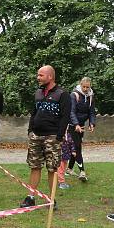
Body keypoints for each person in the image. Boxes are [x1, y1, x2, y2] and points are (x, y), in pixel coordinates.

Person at [20, 65, 70, 208]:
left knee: (52, 169)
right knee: (35, 167)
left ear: (50, 77)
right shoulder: (38, 93)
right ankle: (30, 197)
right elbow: (34, 113)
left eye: (41, 75)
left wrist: (59, 136)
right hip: (36, 136)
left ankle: (51, 199)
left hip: (52, 137)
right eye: (38, 75)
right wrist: (30, 130)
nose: (38, 78)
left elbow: (65, 117)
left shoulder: (62, 94)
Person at [67, 76, 96, 181]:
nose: (85, 89)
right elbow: (71, 111)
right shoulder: (74, 95)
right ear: (80, 84)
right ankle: (82, 172)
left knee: (76, 147)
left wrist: (92, 123)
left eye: (87, 87)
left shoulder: (91, 96)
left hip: (82, 126)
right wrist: (76, 124)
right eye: (83, 86)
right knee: (77, 147)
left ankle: (69, 169)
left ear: (90, 86)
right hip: (71, 126)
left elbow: (91, 112)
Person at [57, 124, 75, 190]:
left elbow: (72, 143)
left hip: (66, 156)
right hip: (60, 155)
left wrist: (73, 151)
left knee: (63, 169)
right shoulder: (58, 135)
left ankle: (59, 179)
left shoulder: (68, 135)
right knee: (60, 169)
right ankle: (61, 183)